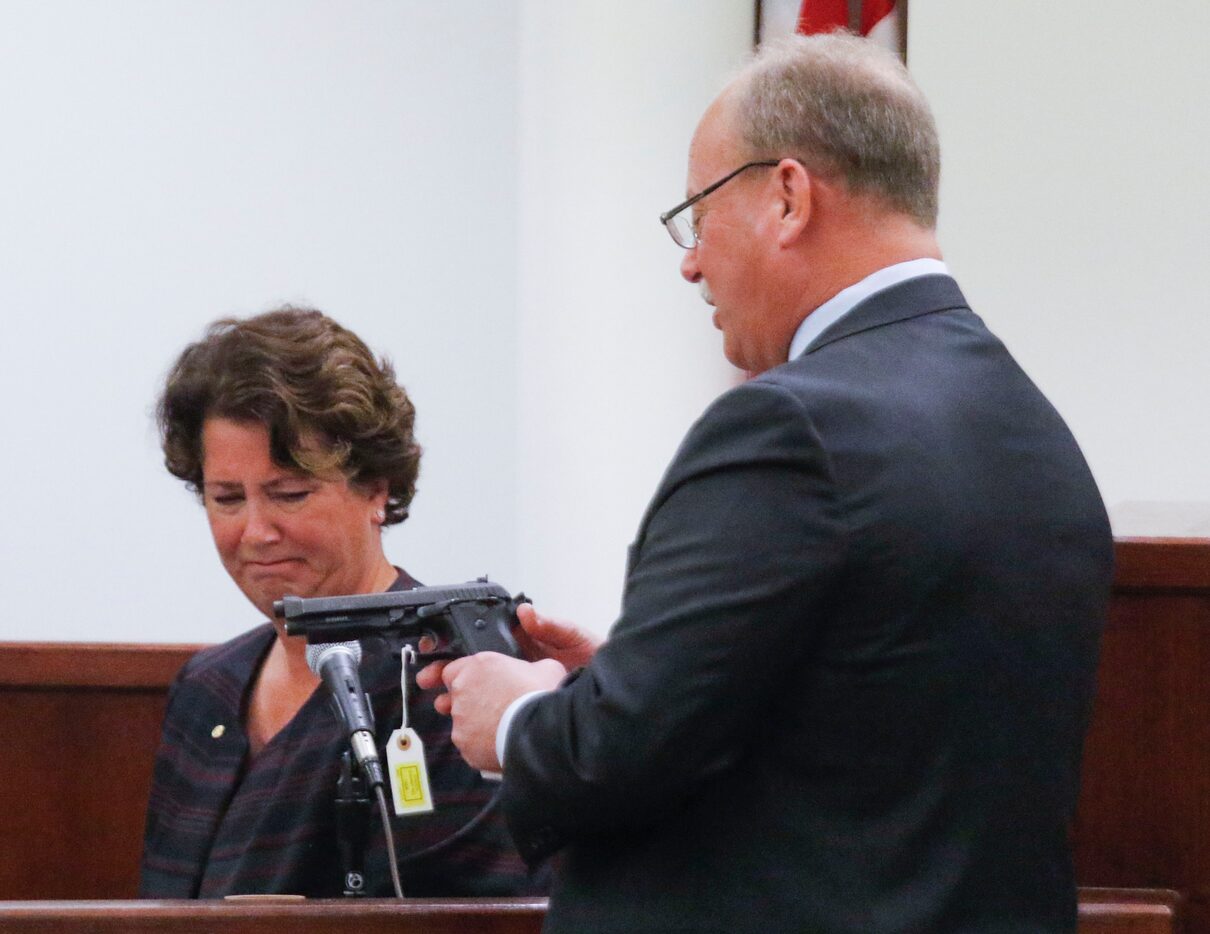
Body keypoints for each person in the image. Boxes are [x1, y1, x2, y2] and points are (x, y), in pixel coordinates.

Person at [418, 33, 1113, 933]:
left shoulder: (788, 427)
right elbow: (871, 733)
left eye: (697, 215)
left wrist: (518, 719)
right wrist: (622, 679)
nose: (690, 262)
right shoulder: (1032, 428)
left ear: (787, 197)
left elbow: (611, 757)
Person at [139, 307, 546, 898]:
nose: (255, 531)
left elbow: (484, 915)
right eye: (226, 498)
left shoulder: (453, 677)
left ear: (376, 487)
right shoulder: (208, 688)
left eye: (290, 493)